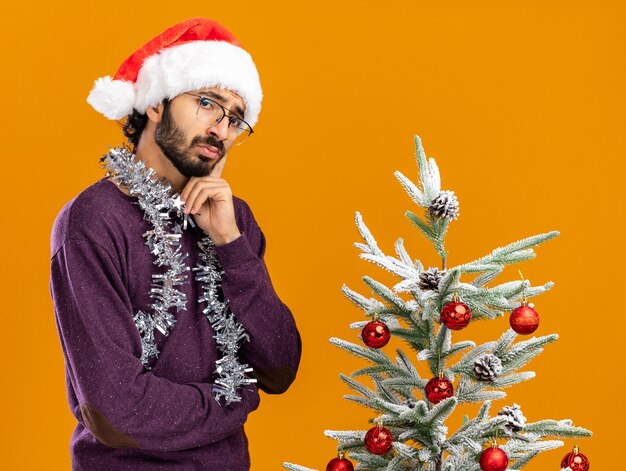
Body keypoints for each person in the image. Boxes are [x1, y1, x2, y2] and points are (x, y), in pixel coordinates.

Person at [49, 18, 302, 470]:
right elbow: (113, 411)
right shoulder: (93, 221)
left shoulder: (233, 218)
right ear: (155, 105)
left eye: (235, 117)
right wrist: (234, 401)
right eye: (207, 103)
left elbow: (279, 367)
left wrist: (229, 243)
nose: (221, 130)